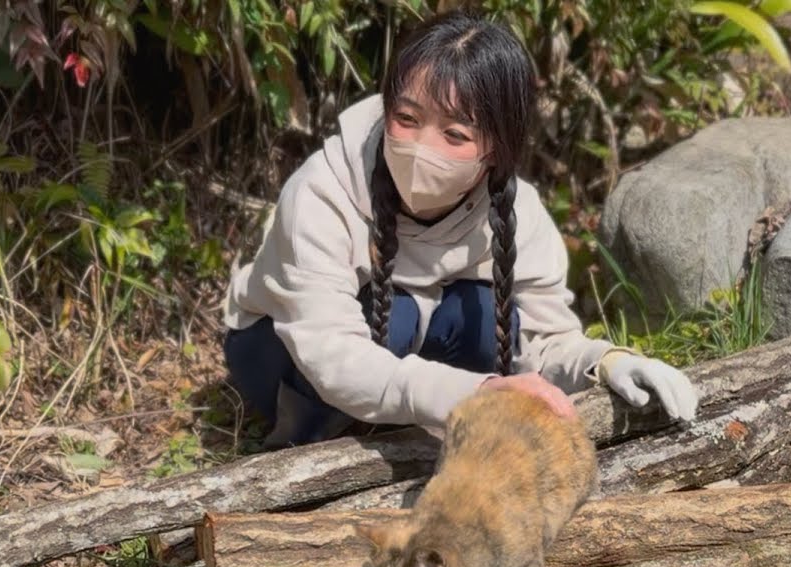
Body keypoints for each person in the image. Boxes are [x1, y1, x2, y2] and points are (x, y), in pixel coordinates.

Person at [221, 9, 698, 449]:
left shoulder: (518, 212)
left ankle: (413, 440)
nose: (421, 148)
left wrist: (608, 362)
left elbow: (543, 342)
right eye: (406, 119)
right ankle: (309, 443)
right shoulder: (321, 193)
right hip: (281, 351)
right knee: (398, 313)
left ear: (497, 150)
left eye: (455, 135)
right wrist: (476, 391)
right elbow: (331, 352)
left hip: (406, 357)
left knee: (487, 313)